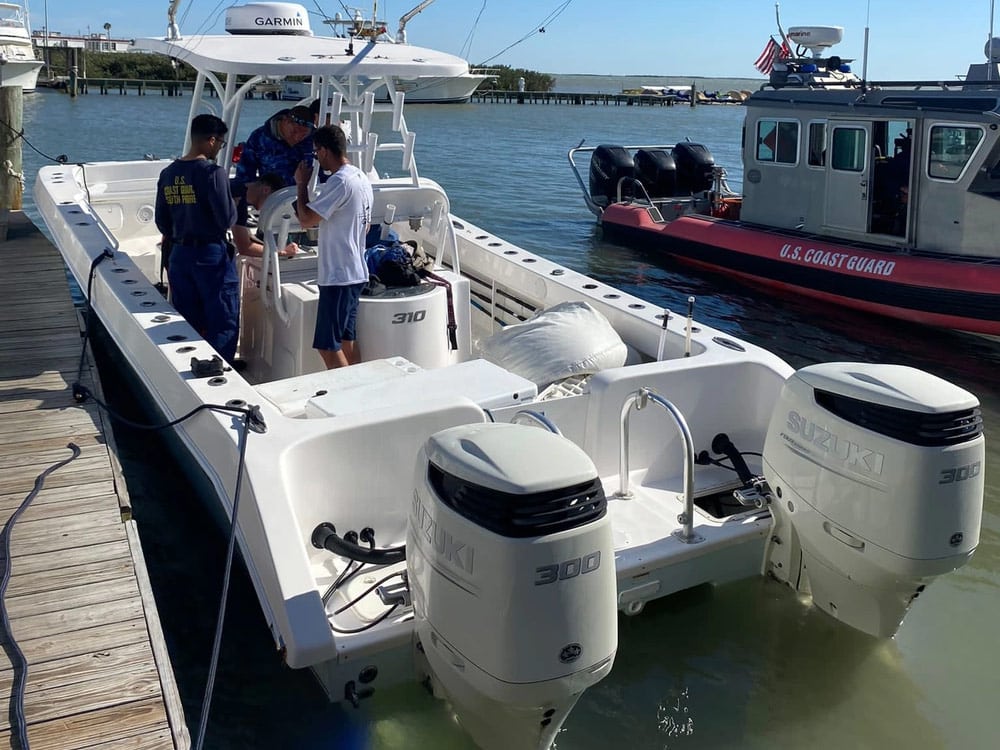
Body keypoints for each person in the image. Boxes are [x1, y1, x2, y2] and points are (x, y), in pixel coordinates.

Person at [155, 114, 239, 363]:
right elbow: (226, 220)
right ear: (211, 140)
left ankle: (188, 366)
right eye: (220, 143)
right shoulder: (213, 173)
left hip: (179, 255)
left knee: (187, 320)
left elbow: (162, 221)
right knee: (223, 319)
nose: (219, 148)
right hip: (210, 256)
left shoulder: (168, 173)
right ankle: (217, 369)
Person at [293, 124, 373, 369]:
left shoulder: (339, 182)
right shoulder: (361, 178)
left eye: (317, 152)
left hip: (339, 276)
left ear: (325, 151)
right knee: (347, 339)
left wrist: (301, 185)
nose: (316, 157)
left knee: (327, 345)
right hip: (356, 272)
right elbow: (366, 226)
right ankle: (358, 389)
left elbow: (306, 219)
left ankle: (346, 396)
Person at [234, 105, 315, 188]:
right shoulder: (259, 138)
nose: (297, 137)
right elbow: (245, 174)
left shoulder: (314, 141)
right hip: (270, 197)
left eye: (303, 135)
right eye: (294, 131)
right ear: (285, 121)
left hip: (306, 196)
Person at [231, 173, 299, 258]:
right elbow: (245, 247)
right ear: (266, 190)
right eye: (272, 201)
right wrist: (282, 252)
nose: (270, 207)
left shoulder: (235, 187)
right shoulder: (238, 198)